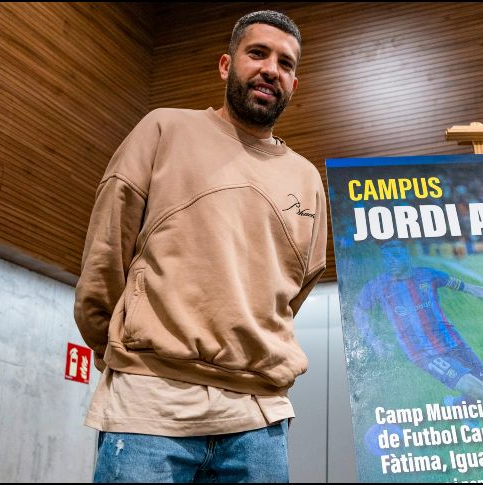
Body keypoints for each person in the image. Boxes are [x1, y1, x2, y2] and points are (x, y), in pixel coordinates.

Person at [74, 10, 327, 483]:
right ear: (226, 65)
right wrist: (115, 345)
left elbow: (297, 289)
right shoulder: (164, 129)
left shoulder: (307, 179)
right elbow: (107, 252)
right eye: (257, 53)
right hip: (150, 406)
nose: (271, 69)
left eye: (286, 63)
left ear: (295, 83)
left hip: (259, 419)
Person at [353, 240, 483, 451]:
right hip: (425, 353)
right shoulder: (377, 286)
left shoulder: (427, 275)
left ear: (406, 255)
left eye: (396, 255)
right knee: (481, 391)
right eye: (386, 257)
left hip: (452, 341)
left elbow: (467, 288)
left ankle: (457, 406)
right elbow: (359, 310)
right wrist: (373, 340)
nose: (391, 261)